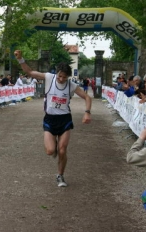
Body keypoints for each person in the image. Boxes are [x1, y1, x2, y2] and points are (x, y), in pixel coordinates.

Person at [14, 50, 92, 187]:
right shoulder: (49, 78)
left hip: (65, 120)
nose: (61, 79)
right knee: (50, 151)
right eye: (59, 76)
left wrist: (87, 112)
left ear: (68, 76)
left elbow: (87, 97)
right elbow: (30, 73)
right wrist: (21, 59)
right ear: (56, 73)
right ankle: (54, 146)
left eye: (64, 77)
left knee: (62, 150)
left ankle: (60, 175)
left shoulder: (71, 85)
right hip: (50, 119)